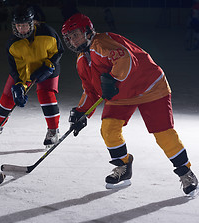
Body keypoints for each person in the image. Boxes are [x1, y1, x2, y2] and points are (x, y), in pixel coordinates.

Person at [61, 13, 198, 195]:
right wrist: (81, 112)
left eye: (75, 34)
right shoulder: (81, 61)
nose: (73, 40)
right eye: (69, 37)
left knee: (163, 134)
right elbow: (90, 91)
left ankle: (185, 172)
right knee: (108, 129)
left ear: (88, 32)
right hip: (122, 95)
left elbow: (125, 58)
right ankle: (123, 167)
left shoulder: (101, 43)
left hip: (150, 87)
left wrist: (113, 79)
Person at [0, 4, 64, 147]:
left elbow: (58, 51)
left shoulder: (48, 33)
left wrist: (49, 66)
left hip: (47, 68)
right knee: (9, 95)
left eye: (24, 25)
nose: (21, 29)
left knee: (45, 95)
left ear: (32, 22)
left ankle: (53, 130)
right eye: (18, 26)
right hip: (25, 69)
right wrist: (20, 84)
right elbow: (15, 68)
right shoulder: (13, 44)